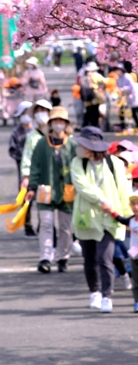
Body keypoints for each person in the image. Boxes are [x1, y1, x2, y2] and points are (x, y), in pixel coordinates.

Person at [71, 125, 131, 313]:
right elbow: (82, 186)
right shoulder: (77, 163)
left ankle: (107, 295)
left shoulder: (115, 164)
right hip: (86, 218)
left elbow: (124, 189)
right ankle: (94, 292)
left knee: (104, 257)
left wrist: (128, 215)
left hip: (108, 218)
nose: (79, 148)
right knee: (89, 258)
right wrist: (101, 199)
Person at [26, 106, 77, 273]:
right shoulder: (42, 143)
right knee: (46, 224)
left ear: (66, 123)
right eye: (55, 121)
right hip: (45, 189)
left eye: (61, 121)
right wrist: (31, 187)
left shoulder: (73, 145)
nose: (58, 124)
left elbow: (79, 169)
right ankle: (45, 257)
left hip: (67, 190)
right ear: (50, 123)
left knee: (65, 227)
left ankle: (63, 257)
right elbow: (35, 166)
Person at [20, 99, 53, 236]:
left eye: (43, 110)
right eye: (38, 111)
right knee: (37, 200)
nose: (41, 114)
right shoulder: (32, 136)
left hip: (52, 173)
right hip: (36, 174)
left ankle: (46, 228)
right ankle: (38, 228)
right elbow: (27, 157)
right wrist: (26, 177)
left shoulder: (54, 133)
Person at [8, 100, 33, 187]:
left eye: (28, 113)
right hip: (22, 164)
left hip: (37, 163)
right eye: (24, 113)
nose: (26, 115)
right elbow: (12, 150)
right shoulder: (16, 132)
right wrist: (23, 157)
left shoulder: (36, 130)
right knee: (23, 185)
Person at [117, 61, 138, 130]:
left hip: (132, 95)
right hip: (130, 95)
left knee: (134, 112)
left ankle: (137, 126)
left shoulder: (128, 76)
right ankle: (135, 126)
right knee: (133, 112)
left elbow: (131, 86)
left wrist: (123, 89)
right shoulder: (130, 75)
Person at [79, 63, 105, 128]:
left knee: (88, 112)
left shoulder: (84, 76)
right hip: (94, 97)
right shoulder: (96, 75)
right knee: (95, 112)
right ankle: (95, 126)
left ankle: (85, 125)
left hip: (86, 98)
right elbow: (104, 82)